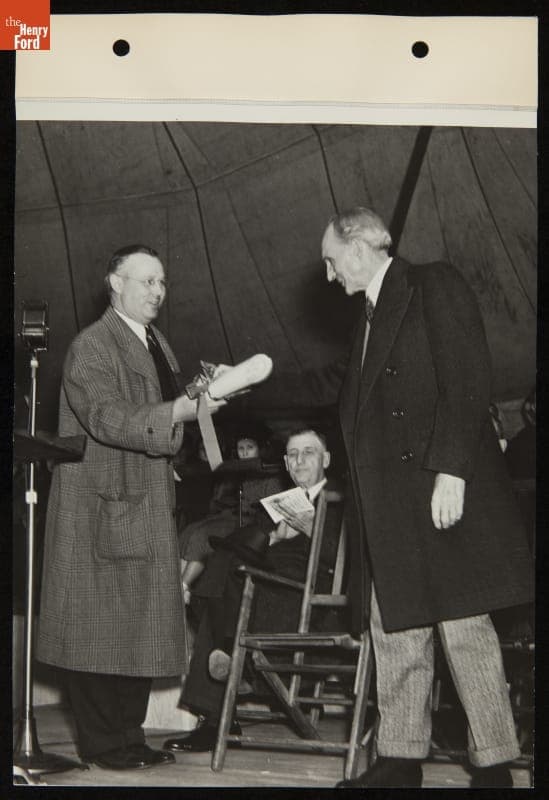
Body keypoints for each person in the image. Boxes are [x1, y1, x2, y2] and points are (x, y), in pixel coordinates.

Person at [256, 207, 533, 788]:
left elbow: (467, 375)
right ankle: (401, 759)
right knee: (394, 628)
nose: (330, 276)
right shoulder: (367, 321)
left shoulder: (433, 282)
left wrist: (453, 470)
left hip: (438, 489)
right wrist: (241, 386)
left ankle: (495, 766)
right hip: (389, 507)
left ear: (358, 247)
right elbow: (325, 384)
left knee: (463, 627)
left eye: (332, 261)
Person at [36, 244, 224, 771]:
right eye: (146, 282)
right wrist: (179, 411)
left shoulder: (156, 342)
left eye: (162, 282)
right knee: (97, 634)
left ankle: (128, 737)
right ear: (114, 283)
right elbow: (107, 417)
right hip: (103, 505)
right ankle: (103, 745)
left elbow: (162, 407)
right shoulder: (91, 346)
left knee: (135, 627)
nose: (158, 292)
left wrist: (202, 395)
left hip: (142, 502)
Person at [163, 428, 342, 753]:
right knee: (221, 566)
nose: (300, 460)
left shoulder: (341, 500)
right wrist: (274, 536)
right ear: (286, 464)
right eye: (293, 454)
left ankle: (224, 688)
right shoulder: (277, 504)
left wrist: (307, 528)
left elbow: (341, 561)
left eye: (309, 452)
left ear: (326, 459)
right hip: (264, 586)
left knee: (230, 585)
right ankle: (224, 691)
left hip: (307, 598)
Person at [179, 423, 286, 603]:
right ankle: (178, 586)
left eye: (250, 448)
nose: (244, 452)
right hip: (227, 515)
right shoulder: (235, 470)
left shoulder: (270, 475)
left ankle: (184, 586)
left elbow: (271, 512)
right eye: (240, 448)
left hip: (249, 522)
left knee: (201, 536)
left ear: (260, 450)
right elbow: (219, 499)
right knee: (188, 532)